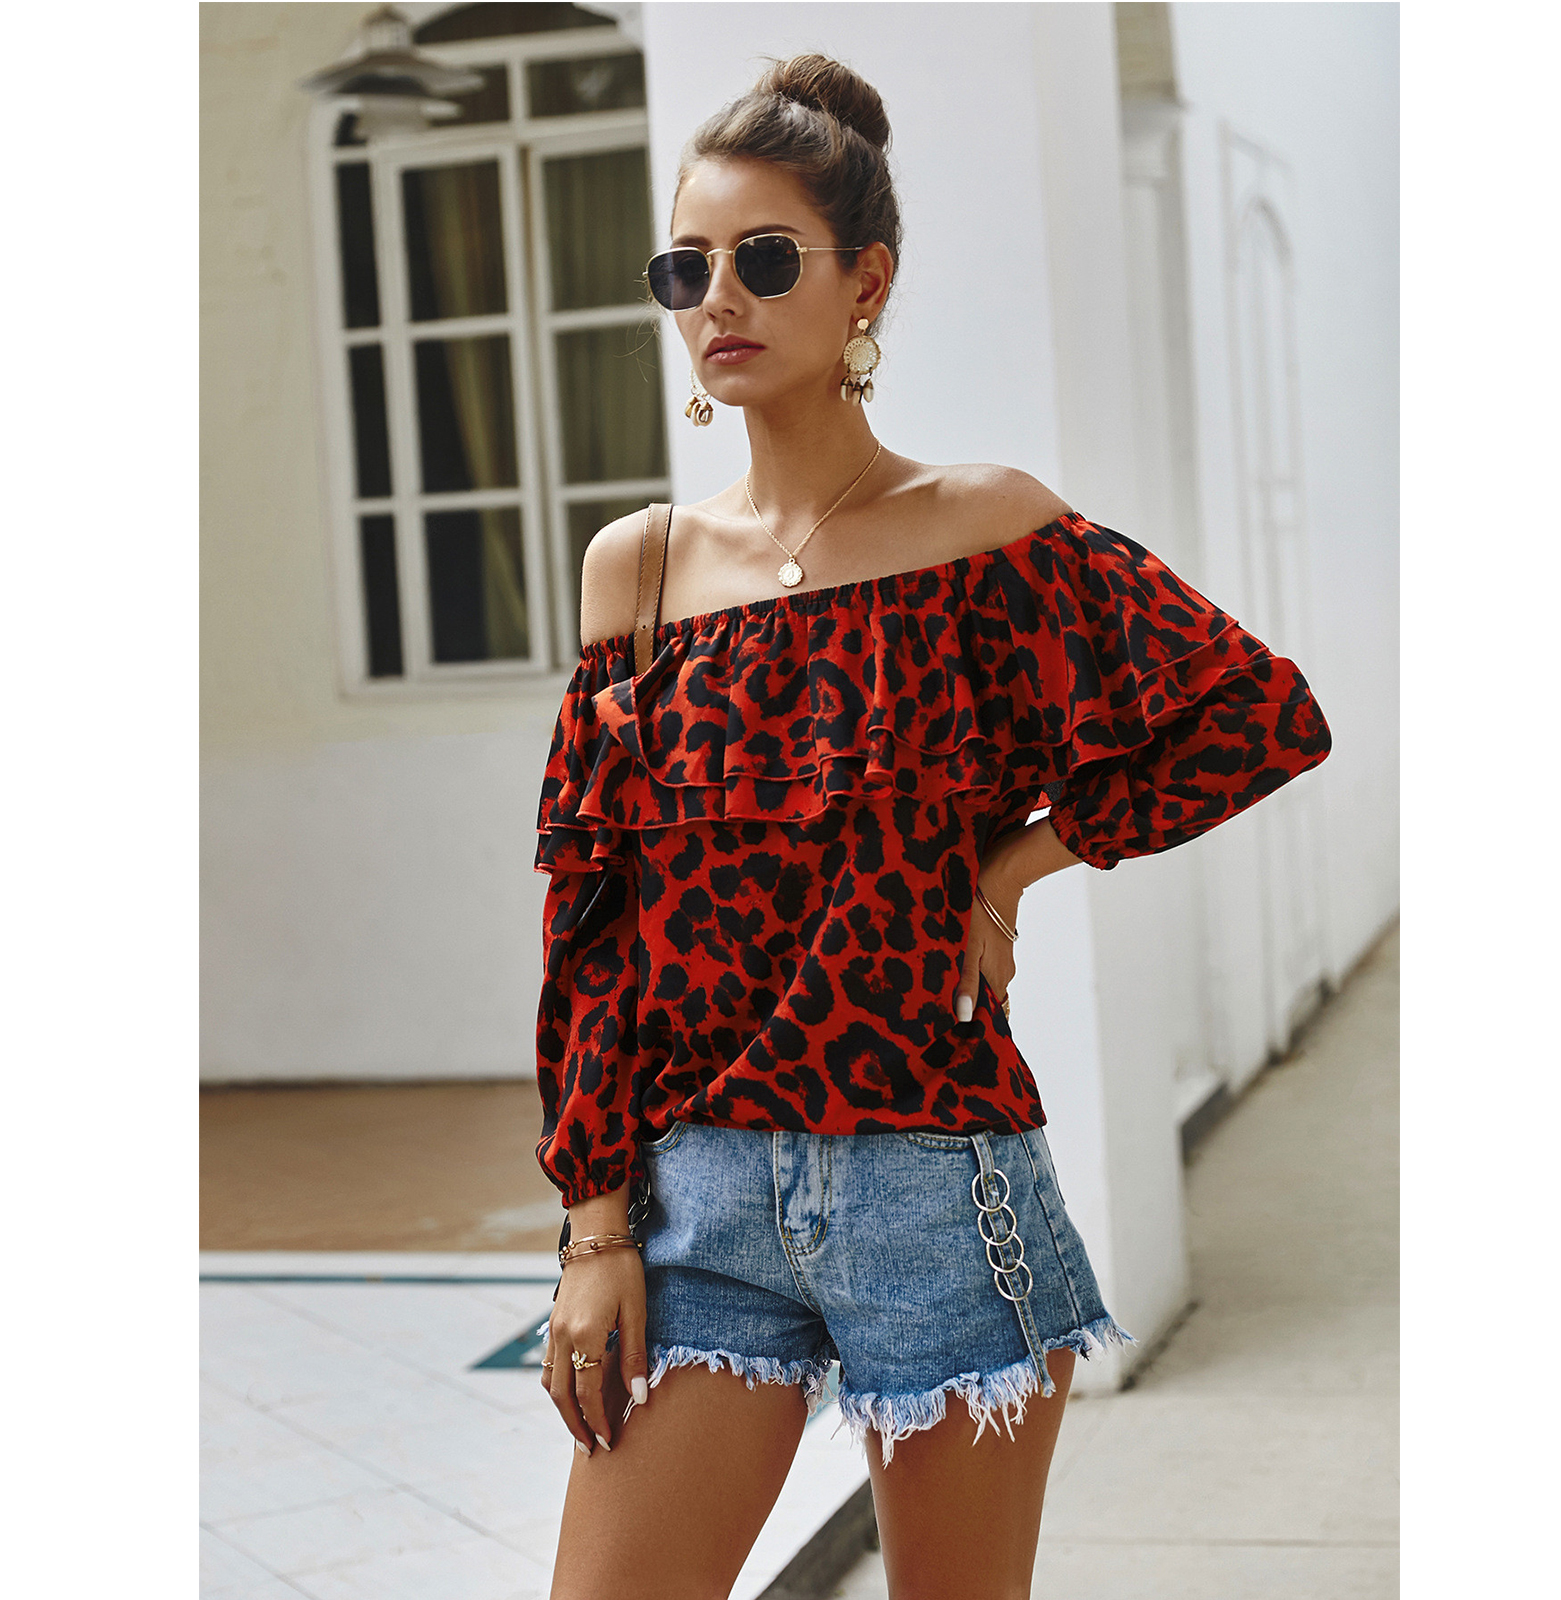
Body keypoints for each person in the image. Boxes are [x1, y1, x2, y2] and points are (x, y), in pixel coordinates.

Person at [532, 53, 1331, 1600]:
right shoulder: (638, 570)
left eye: (766, 259)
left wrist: (1013, 865)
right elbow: (592, 924)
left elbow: (1258, 716)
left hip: (938, 1183)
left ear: (868, 282)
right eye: (686, 268)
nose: (718, 298)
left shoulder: (985, 533)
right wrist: (596, 1229)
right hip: (696, 1200)